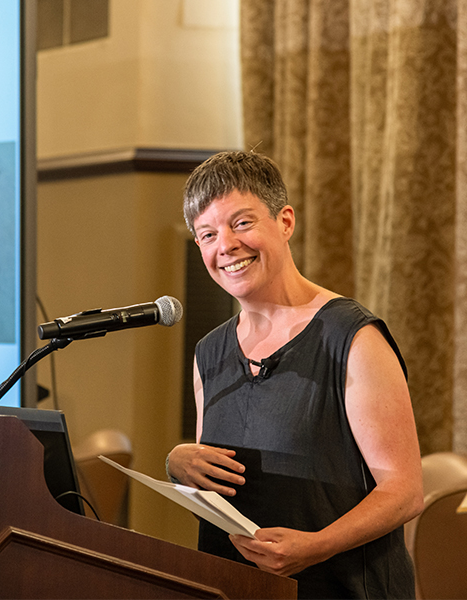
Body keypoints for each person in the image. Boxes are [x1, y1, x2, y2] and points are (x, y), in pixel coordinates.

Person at [166, 151, 423, 599]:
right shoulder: (209, 352)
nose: (224, 245)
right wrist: (180, 465)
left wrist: (316, 547)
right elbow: (222, 487)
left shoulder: (351, 336)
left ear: (285, 222)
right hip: (237, 587)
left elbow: (404, 492)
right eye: (207, 234)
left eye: (241, 223)